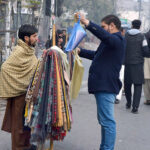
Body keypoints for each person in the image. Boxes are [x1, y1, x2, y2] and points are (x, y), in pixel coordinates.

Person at [76, 13, 125, 150]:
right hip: (102, 86)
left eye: (104, 26)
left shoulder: (117, 39)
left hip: (106, 86)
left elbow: (105, 36)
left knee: (107, 122)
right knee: (104, 121)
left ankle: (107, 148)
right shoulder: (109, 41)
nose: (102, 29)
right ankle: (104, 147)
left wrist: (87, 23)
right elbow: (96, 55)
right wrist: (80, 51)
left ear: (112, 26)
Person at [0, 24, 38, 150]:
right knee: (18, 124)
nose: (37, 38)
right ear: (26, 38)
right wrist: (18, 84)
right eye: (34, 36)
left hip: (27, 93)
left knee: (27, 121)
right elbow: (5, 68)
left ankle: (26, 145)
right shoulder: (20, 51)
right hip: (18, 94)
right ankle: (17, 147)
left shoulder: (29, 50)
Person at [124, 19, 149, 113]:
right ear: (140, 26)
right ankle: (135, 108)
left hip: (127, 63)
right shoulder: (142, 37)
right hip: (138, 64)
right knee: (138, 85)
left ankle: (128, 102)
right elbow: (146, 50)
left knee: (127, 84)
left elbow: (123, 47)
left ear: (132, 25)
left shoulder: (126, 35)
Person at [115, 27, 126, 104]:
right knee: (120, 78)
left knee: (119, 78)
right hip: (121, 63)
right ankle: (117, 96)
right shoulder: (124, 40)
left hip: (119, 63)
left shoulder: (121, 40)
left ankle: (117, 96)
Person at [143, 29, 150, 105]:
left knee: (146, 79)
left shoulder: (145, 35)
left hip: (146, 58)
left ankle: (148, 99)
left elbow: (144, 47)